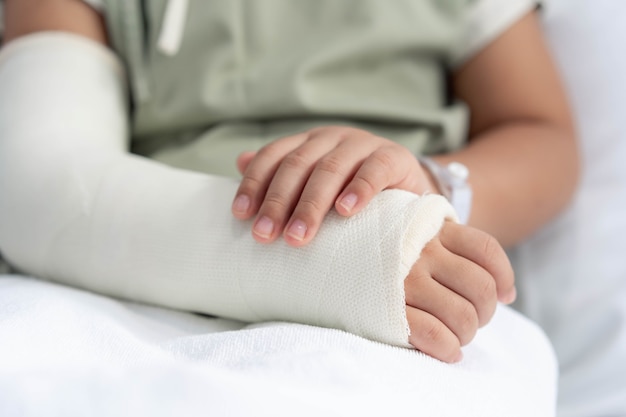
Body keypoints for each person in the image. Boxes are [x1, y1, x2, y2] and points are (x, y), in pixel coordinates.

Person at [0, 0, 578, 365]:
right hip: (121, 283)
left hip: (409, 274)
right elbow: (38, 181)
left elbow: (541, 135)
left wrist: (427, 193)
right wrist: (344, 261)